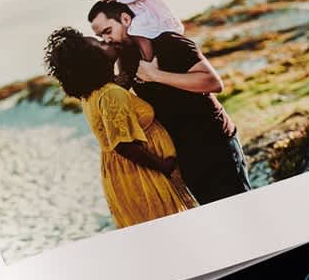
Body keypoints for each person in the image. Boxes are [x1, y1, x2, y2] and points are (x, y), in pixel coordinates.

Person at [88, 0, 251, 205]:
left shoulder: (169, 42)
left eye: (108, 31)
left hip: (215, 142)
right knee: (214, 214)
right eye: (100, 36)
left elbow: (213, 82)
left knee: (242, 207)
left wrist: (156, 75)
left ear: (126, 19)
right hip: (182, 153)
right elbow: (118, 91)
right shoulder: (127, 57)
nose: (106, 39)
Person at [43, 27, 197, 227]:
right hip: (143, 175)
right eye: (100, 44)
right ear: (92, 60)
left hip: (123, 174)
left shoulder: (93, 94)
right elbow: (124, 145)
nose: (105, 41)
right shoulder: (111, 95)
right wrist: (163, 166)